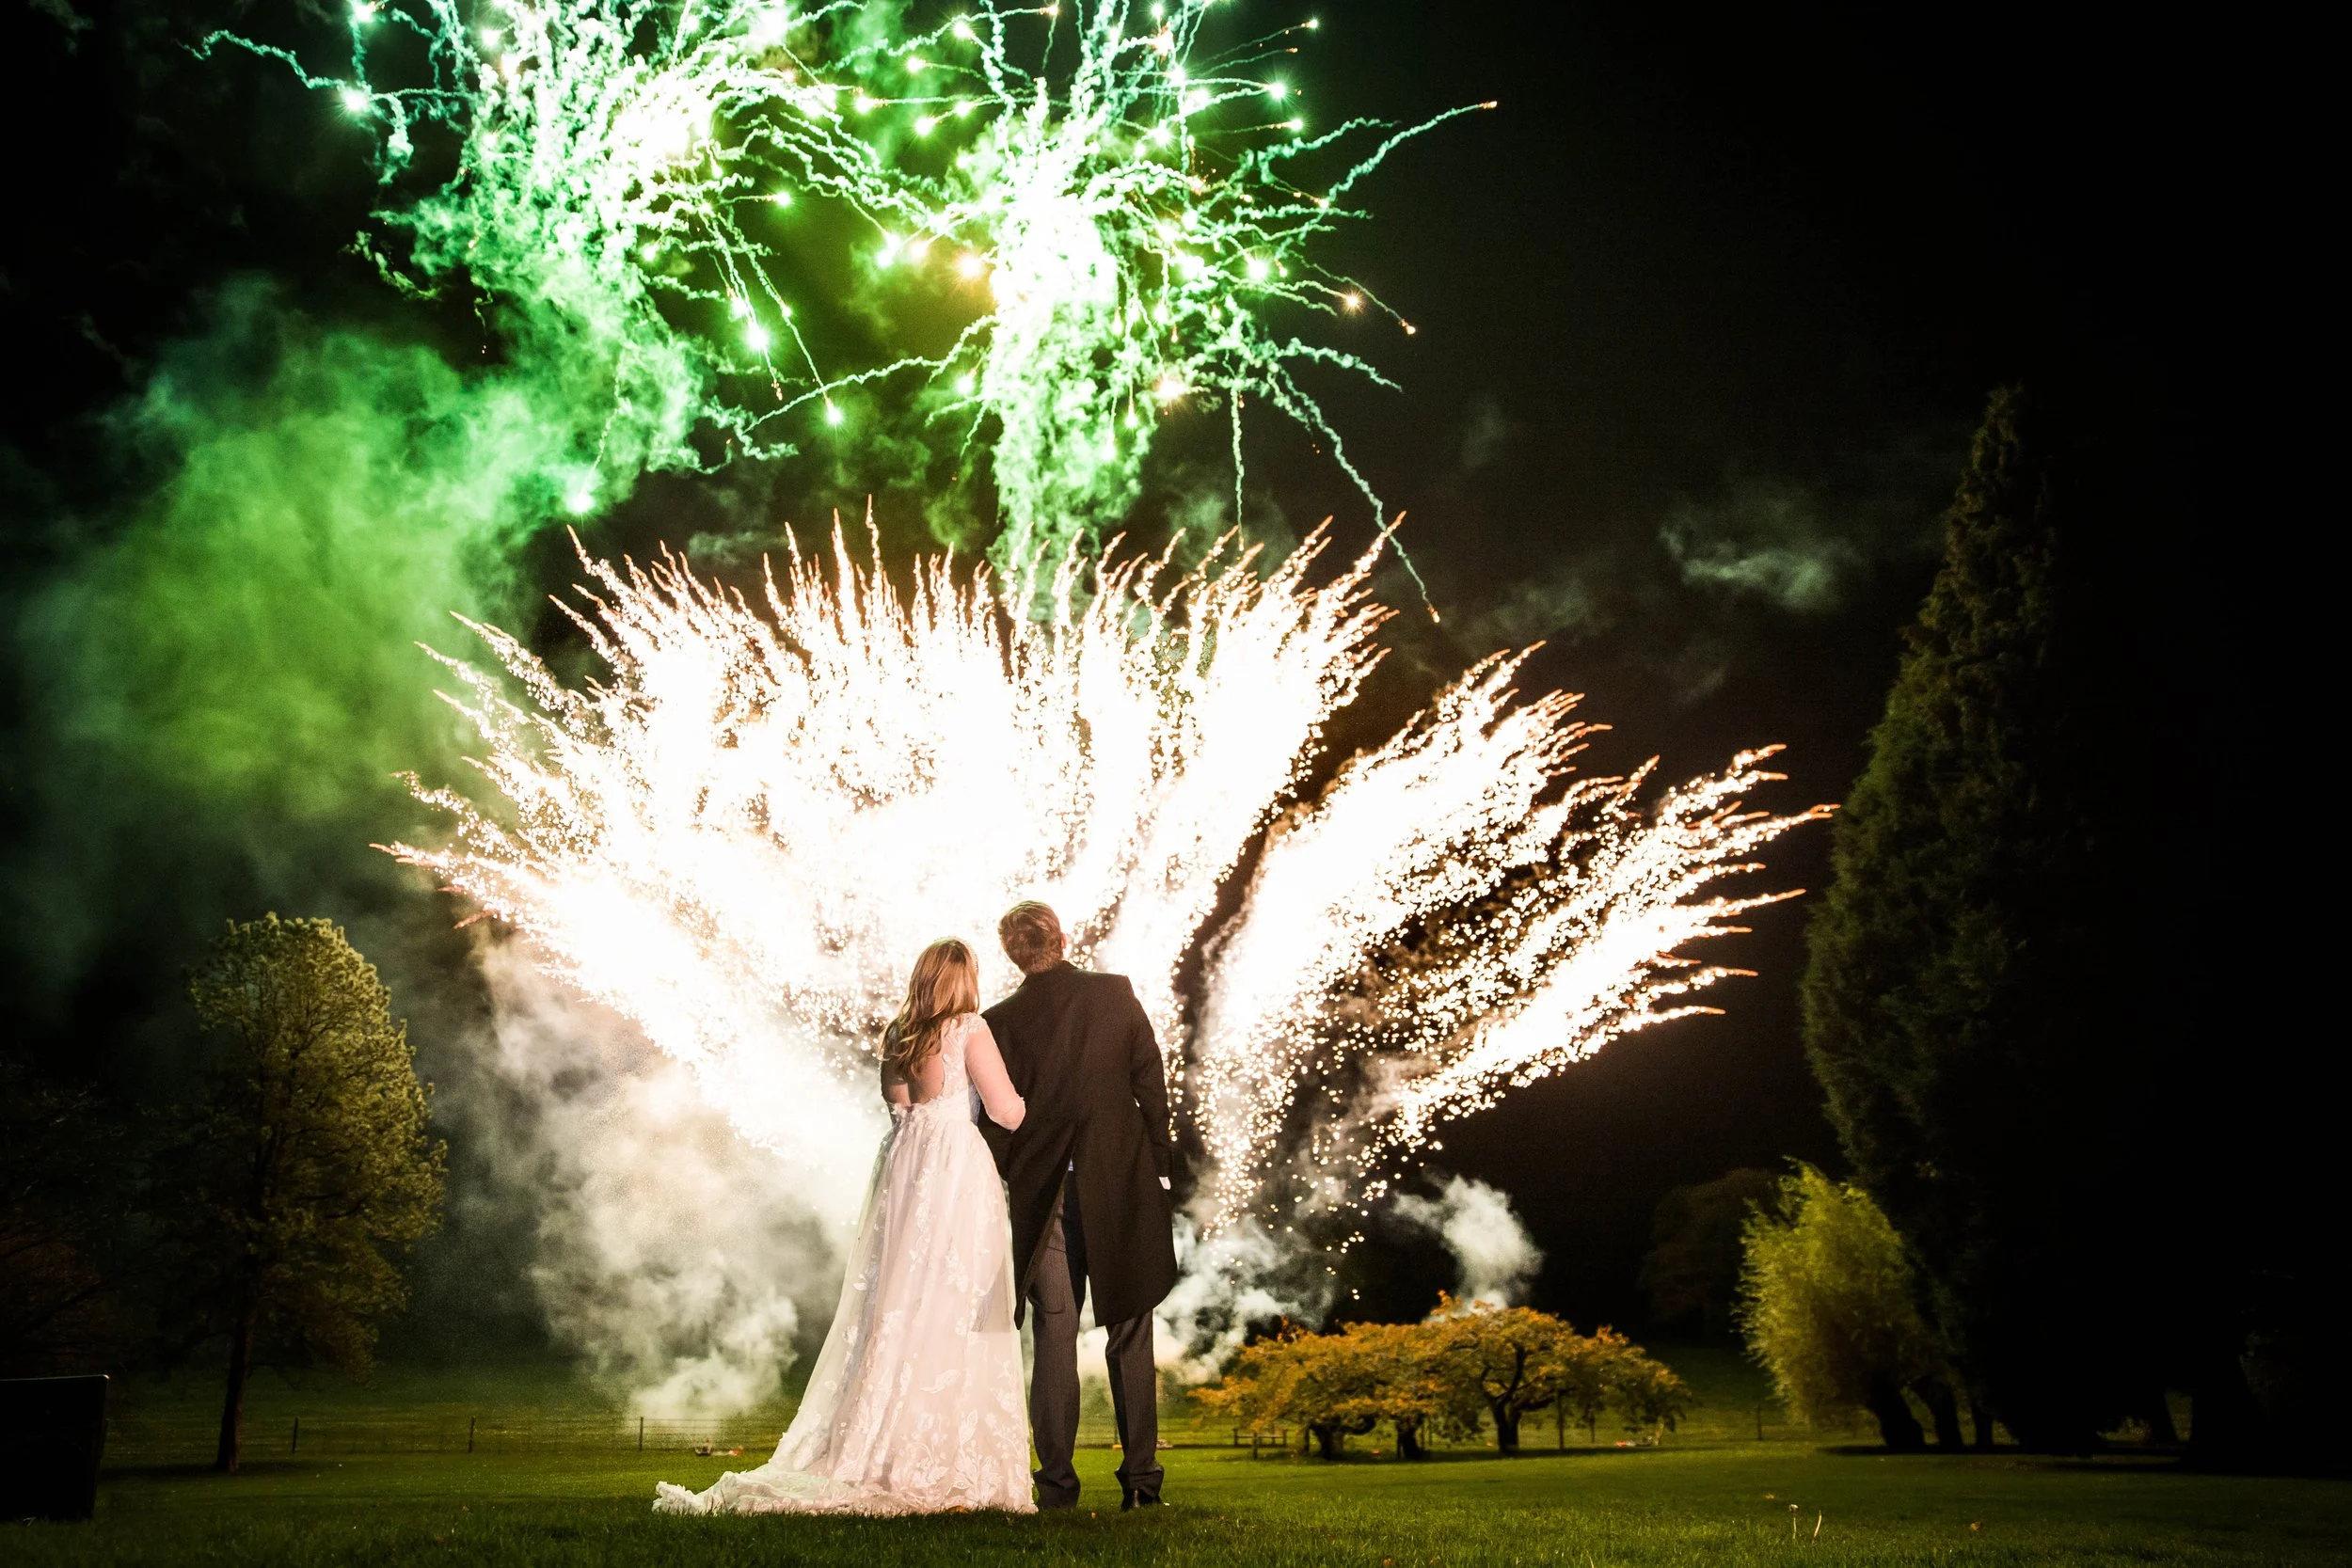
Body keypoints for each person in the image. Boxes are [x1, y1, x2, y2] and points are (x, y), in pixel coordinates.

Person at [654, 939, 1032, 1515]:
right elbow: (1006, 1111)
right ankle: (943, 1452)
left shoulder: (900, 1035)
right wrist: (1031, 1100)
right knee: (957, 1302)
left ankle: (876, 1436)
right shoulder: (967, 1029)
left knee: (896, 1301)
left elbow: (900, 1109)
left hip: (904, 1170)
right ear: (964, 980)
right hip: (954, 1172)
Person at [981, 901, 1179, 1511]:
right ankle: (1141, 1483)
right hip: (1121, 1183)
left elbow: (996, 1122)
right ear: (1062, 939)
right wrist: (1161, 1166)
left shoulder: (999, 1021)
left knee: (1054, 1335)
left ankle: (1057, 1488)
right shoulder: (1115, 993)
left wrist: (1008, 1177)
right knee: (1131, 1331)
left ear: (1012, 954)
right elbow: (1150, 1080)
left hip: (1046, 1196)